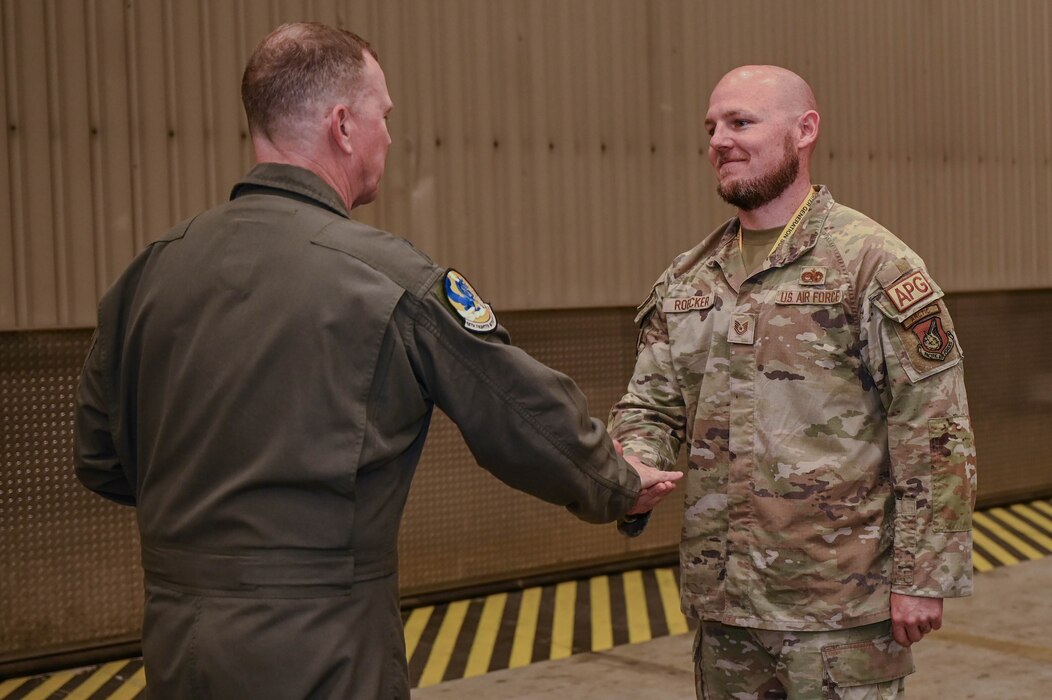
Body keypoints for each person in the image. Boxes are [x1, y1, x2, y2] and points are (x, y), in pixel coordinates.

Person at [73, 23, 681, 699]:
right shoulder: (386, 277)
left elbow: (99, 458)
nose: (389, 136)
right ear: (342, 125)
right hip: (323, 646)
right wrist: (618, 485)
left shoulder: (150, 272)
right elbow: (518, 414)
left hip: (176, 642)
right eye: (383, 116)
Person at [609, 65, 976, 698]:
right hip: (722, 605)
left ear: (803, 131)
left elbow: (934, 427)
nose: (720, 140)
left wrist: (922, 576)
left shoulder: (870, 263)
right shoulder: (689, 278)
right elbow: (653, 404)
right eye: (712, 127)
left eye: (741, 122)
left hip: (839, 611)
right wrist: (631, 467)